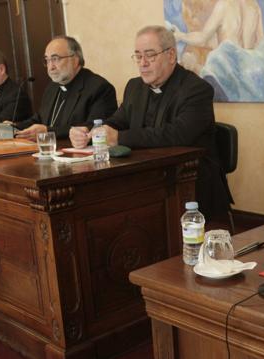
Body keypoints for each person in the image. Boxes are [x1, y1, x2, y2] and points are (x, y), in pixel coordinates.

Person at [69, 25, 231, 219]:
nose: (142, 63)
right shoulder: (135, 86)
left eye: (150, 55)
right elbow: (117, 121)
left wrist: (119, 138)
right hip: (146, 177)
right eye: (138, 56)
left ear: (171, 55)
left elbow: (178, 134)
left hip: (190, 182)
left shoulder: (196, 89)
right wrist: (89, 131)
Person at [14, 36, 117, 140]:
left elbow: (94, 128)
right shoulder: (52, 88)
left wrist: (49, 132)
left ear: (75, 60)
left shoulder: (99, 88)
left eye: (55, 59)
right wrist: (14, 127)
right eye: (47, 60)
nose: (51, 67)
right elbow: (39, 119)